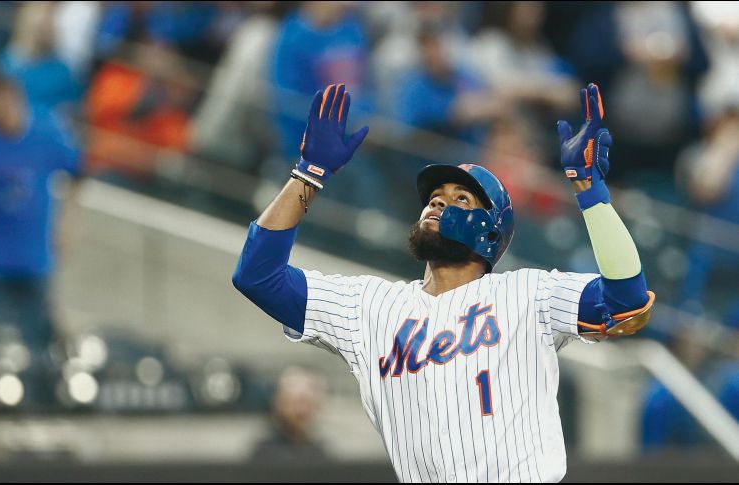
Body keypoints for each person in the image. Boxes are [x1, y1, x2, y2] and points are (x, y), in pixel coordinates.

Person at [232, 82, 655, 482]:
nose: (437, 200)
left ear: (489, 232)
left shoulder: (529, 294)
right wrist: (308, 173)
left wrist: (589, 190)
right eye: (436, 195)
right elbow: (257, 276)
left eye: (460, 198)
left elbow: (625, 297)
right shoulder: (368, 307)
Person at [0, 74, 82, 355]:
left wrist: (68, 224)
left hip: (35, 259)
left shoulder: (47, 131)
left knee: (36, 344)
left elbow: (78, 172)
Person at [251, 367, 329, 462]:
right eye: (296, 402)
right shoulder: (264, 454)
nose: (302, 411)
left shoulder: (320, 454)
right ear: (279, 402)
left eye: (309, 404)